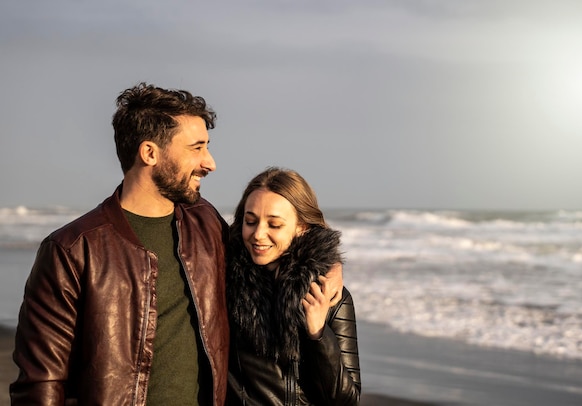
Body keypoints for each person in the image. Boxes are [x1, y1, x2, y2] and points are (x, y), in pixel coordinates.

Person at [9, 83, 230, 405]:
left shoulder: (206, 223)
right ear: (149, 152)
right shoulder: (72, 249)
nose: (210, 163)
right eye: (196, 148)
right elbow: (41, 381)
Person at [225, 167, 361, 405]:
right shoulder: (223, 279)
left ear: (302, 227)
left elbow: (347, 400)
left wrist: (318, 334)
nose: (258, 234)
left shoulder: (329, 295)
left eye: (274, 225)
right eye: (250, 221)